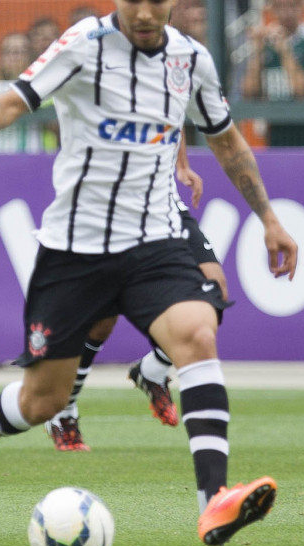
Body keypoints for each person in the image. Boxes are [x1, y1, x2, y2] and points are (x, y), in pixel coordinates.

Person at [0, 0, 296, 546]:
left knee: (197, 333)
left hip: (153, 239)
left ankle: (214, 501)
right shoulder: (81, 46)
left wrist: (266, 216)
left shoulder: (191, 60)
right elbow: (16, 99)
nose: (144, 12)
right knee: (43, 399)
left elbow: (227, 141)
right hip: (75, 249)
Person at [43, 138, 228, 452]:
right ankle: (65, 410)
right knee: (102, 319)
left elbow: (176, 102)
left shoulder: (175, 87)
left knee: (213, 289)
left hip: (163, 205)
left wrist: (181, 164)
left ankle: (152, 369)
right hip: (113, 208)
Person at [241, 0, 304, 146]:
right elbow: (249, 94)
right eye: (280, 6)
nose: (286, 12)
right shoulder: (266, 40)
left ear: (302, 6)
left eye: (292, 5)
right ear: (272, 8)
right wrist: (258, 51)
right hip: (276, 136)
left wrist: (284, 50)